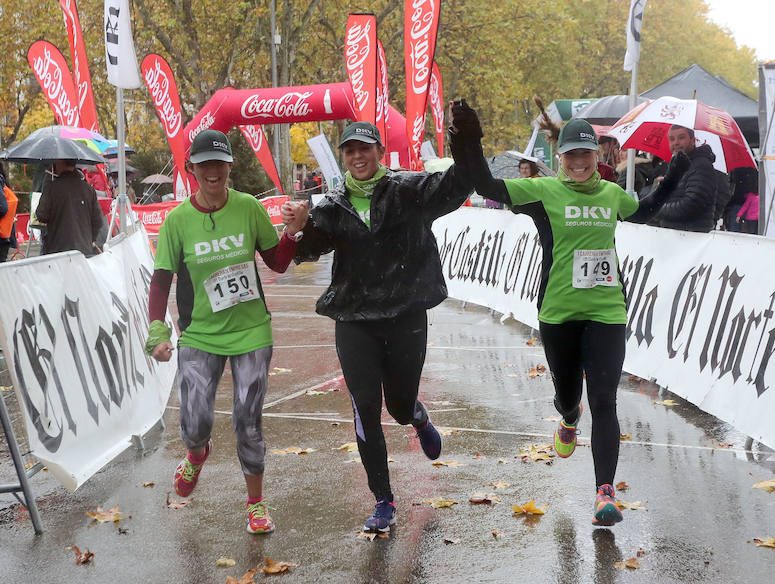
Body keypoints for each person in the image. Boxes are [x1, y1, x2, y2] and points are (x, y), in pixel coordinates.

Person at [451, 103, 685, 526]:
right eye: (571, 156)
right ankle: (568, 417)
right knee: (569, 397)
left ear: (599, 157)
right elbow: (485, 183)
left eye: (586, 155)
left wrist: (678, 170)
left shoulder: (613, 194)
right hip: (557, 313)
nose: (579, 163)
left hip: (606, 310)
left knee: (606, 400)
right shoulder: (542, 191)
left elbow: (647, 210)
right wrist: (467, 137)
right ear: (560, 159)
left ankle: (605, 494)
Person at [281, 120, 472, 533]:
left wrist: (467, 147)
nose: (357, 156)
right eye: (349, 151)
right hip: (354, 320)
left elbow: (456, 187)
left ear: (379, 151)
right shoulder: (332, 204)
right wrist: (298, 229)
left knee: (398, 408)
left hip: (405, 315)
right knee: (365, 406)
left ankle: (417, 416)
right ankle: (383, 500)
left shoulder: (409, 190)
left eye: (364, 148)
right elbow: (308, 252)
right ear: (345, 157)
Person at [145, 129, 306, 535]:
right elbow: (161, 281)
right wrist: (157, 331)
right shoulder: (177, 222)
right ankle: (196, 455)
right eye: (204, 164)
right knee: (195, 422)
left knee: (247, 420)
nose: (213, 171)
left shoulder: (249, 208)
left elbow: (278, 263)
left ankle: (256, 502)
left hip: (252, 331)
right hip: (200, 335)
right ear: (192, 169)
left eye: (220, 163)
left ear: (230, 166)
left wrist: (295, 232)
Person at [649, 125, 726, 232]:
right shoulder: (677, 166)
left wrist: (657, 209)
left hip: (692, 237)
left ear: (693, 140)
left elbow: (691, 205)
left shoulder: (701, 166)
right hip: (676, 235)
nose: (675, 142)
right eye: (671, 139)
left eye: (681, 137)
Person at [35, 158, 105, 256]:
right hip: (84, 251)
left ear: (60, 162)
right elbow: (98, 221)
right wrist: (88, 239)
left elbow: (41, 215)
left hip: (58, 251)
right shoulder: (88, 189)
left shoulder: (52, 188)